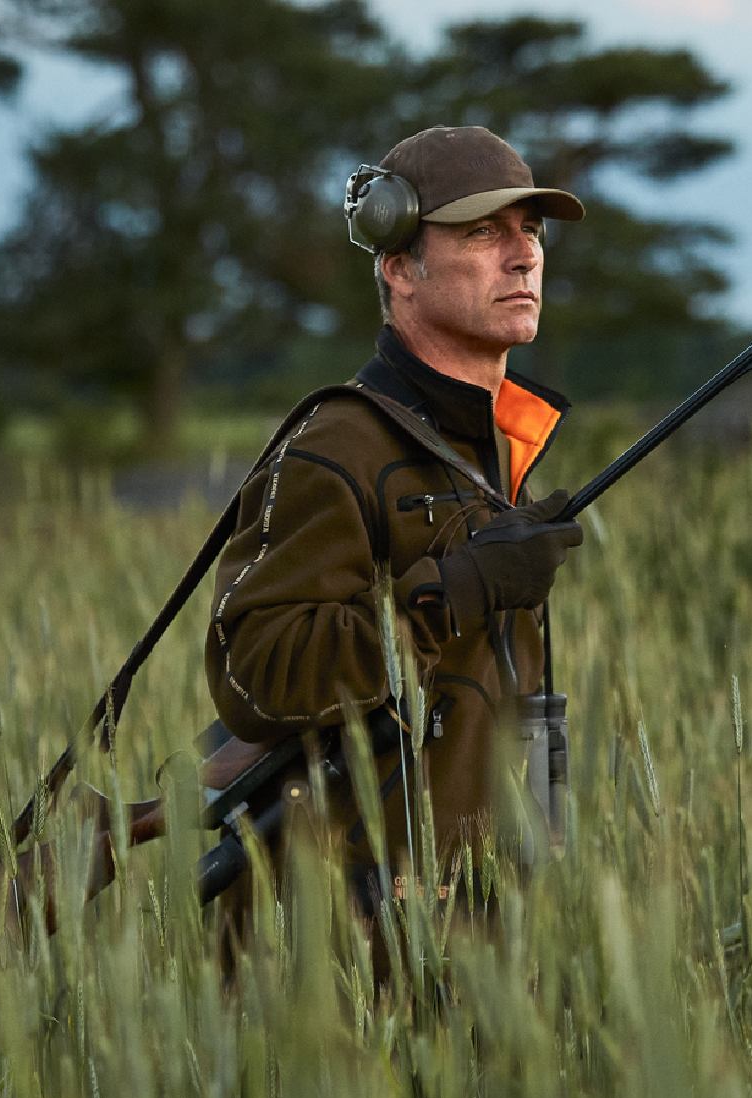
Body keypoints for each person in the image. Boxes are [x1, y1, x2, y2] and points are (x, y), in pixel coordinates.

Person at [204, 124, 584, 910]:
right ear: (399, 266)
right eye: (483, 232)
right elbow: (258, 679)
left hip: (476, 919)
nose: (523, 256)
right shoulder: (338, 447)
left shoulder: (499, 449)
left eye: (530, 231)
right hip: (345, 944)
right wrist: (455, 591)